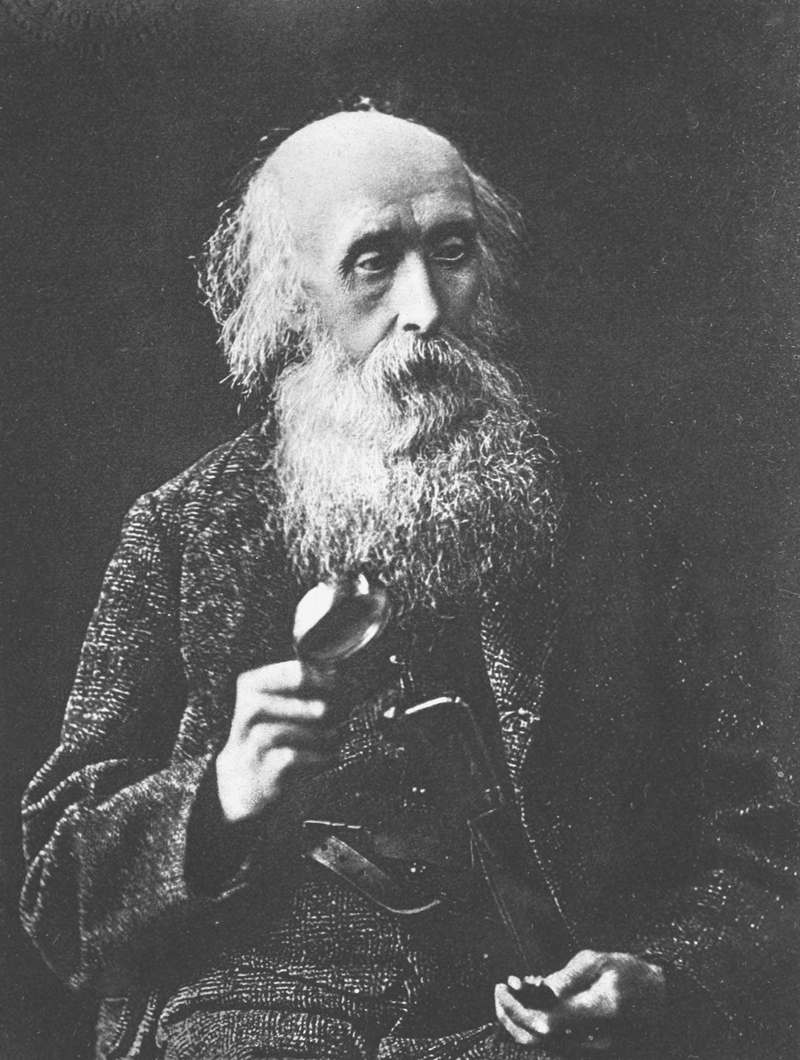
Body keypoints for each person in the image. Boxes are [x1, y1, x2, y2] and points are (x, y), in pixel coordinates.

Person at [20, 110, 798, 1060]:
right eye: (372, 261)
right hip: (245, 1022)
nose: (424, 306)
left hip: (517, 1024)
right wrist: (220, 792)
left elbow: (767, 848)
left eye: (452, 251)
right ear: (291, 295)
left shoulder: (617, 524)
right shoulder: (185, 529)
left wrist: (664, 978)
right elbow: (58, 903)